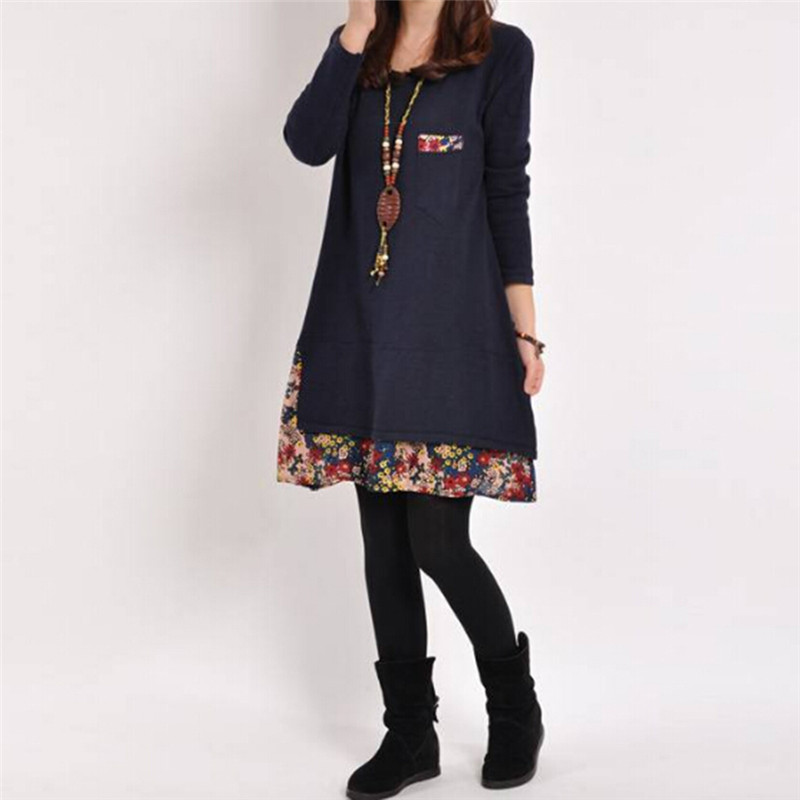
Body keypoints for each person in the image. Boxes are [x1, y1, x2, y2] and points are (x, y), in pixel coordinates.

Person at [276, 1, 546, 796]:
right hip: (361, 325)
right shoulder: (360, 49)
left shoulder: (501, 52)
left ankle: (515, 707)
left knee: (438, 542)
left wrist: (525, 330)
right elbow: (307, 143)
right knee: (385, 543)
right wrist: (355, 32)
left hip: (454, 331)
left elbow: (506, 191)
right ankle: (409, 736)